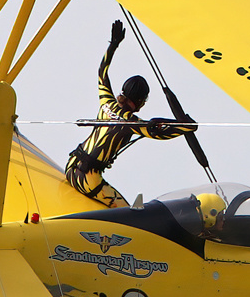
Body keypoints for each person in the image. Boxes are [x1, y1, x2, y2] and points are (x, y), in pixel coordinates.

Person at [65, 20, 195, 206]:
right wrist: (186, 126)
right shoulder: (132, 123)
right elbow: (160, 134)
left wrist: (114, 44)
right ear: (141, 101)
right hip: (88, 179)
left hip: (70, 166)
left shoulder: (106, 102)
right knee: (128, 213)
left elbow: (102, 71)